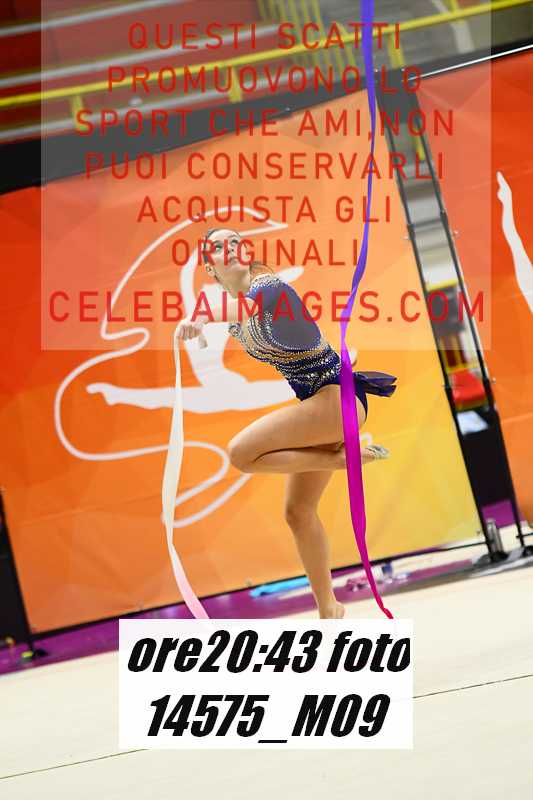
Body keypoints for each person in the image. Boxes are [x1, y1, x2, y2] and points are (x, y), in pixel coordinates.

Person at [176, 228, 396, 618]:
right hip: (320, 407)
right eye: (219, 248)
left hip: (336, 401)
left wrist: (201, 316)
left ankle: (342, 460)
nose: (230, 249)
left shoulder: (270, 287)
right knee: (298, 511)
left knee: (241, 452)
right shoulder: (236, 314)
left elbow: (250, 309)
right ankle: (329, 608)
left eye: (235, 242)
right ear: (210, 268)